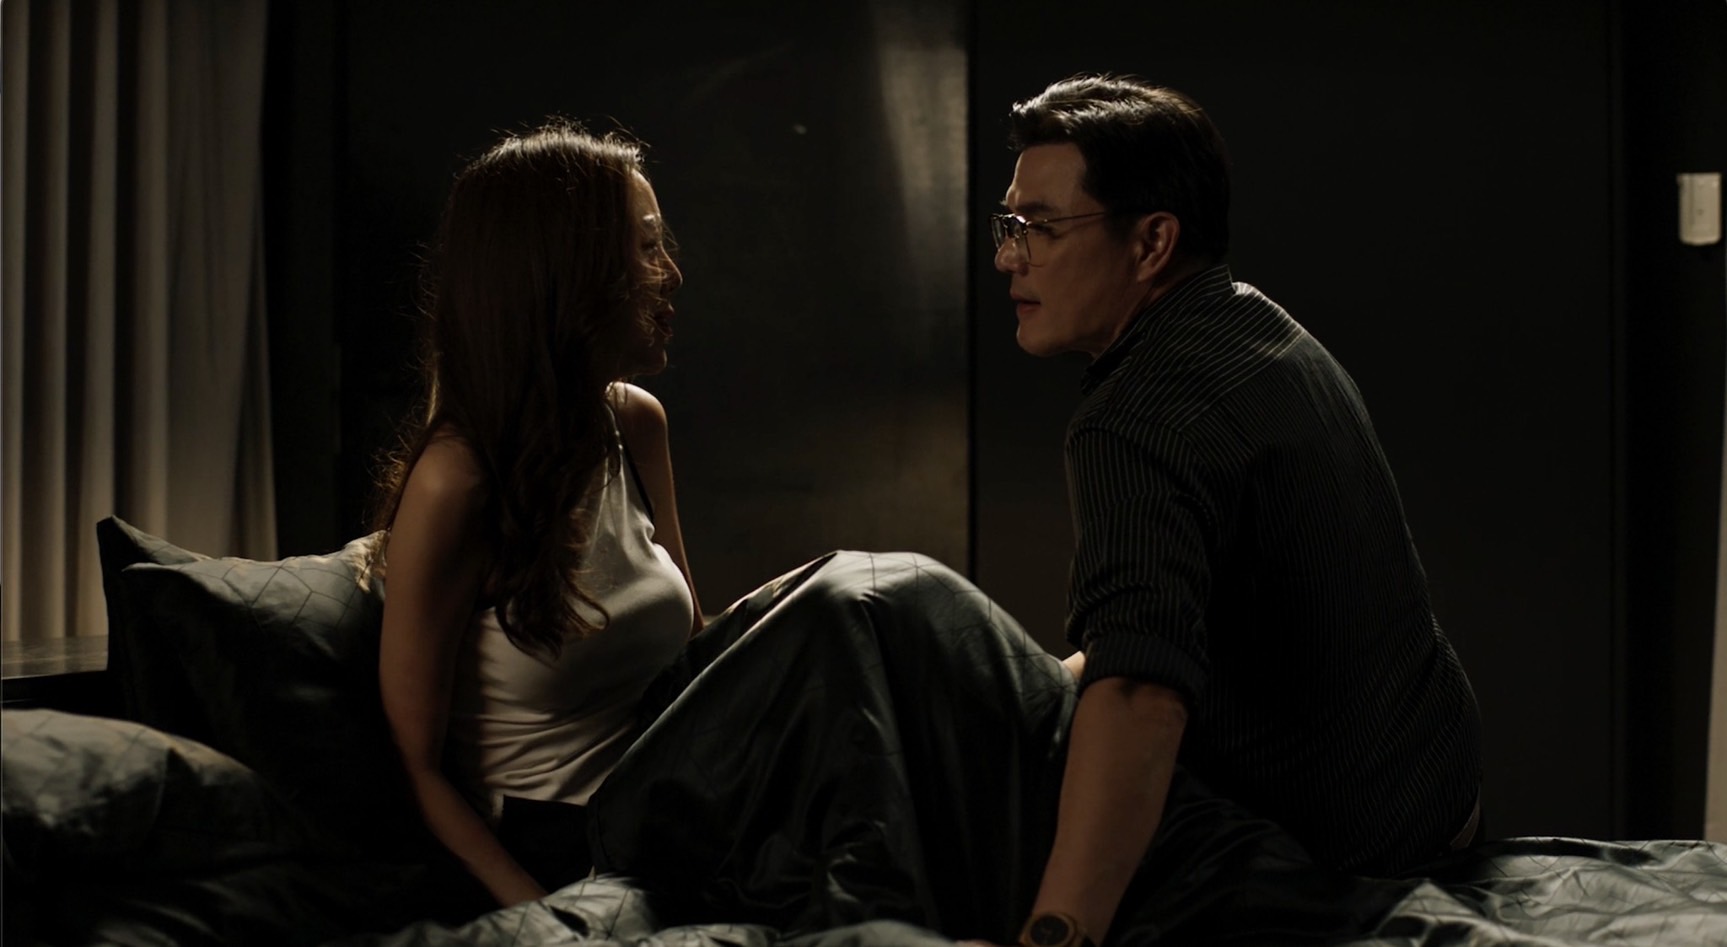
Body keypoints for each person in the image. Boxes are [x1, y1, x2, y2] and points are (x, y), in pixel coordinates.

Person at [989, 75, 1483, 947]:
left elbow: (1141, 696)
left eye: (1040, 227)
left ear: (1151, 241)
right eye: (1008, 224)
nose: (1008, 257)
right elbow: (1159, 631)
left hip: (1338, 859)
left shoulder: (1135, 417)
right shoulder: (1261, 331)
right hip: (1434, 797)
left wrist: (1057, 937)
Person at [369, 120, 704, 909]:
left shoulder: (634, 422)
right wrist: (545, 919)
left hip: (673, 810)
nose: (671, 274)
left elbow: (696, 652)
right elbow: (413, 765)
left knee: (865, 606)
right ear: (567, 273)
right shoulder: (457, 481)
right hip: (555, 849)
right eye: (645, 247)